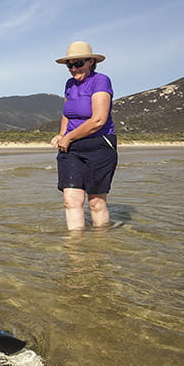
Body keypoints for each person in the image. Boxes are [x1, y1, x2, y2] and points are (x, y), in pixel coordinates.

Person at [49, 41, 117, 230]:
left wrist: (68, 137)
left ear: (91, 62)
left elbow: (98, 120)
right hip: (71, 148)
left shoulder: (101, 80)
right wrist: (62, 134)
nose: (73, 68)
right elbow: (67, 112)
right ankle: (75, 249)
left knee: (96, 202)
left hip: (99, 144)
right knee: (71, 201)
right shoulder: (69, 84)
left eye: (78, 63)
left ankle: (99, 247)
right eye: (70, 65)